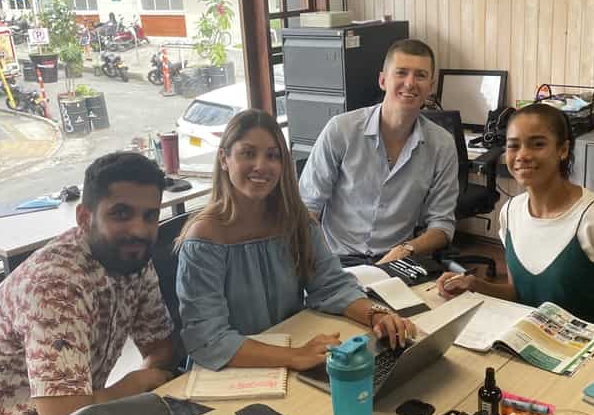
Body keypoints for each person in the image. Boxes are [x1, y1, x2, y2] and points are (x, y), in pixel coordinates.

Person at [0, 152, 176, 415]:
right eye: (121, 214)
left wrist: (136, 385)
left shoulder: (131, 258)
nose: (139, 230)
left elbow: (162, 350)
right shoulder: (57, 284)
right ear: (83, 217)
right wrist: (136, 384)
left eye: (150, 216)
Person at [176, 109, 416, 371]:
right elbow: (210, 340)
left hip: (287, 352)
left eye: (272, 155)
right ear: (224, 158)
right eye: (248, 153)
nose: (261, 165)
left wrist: (377, 314)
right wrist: (293, 356)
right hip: (230, 370)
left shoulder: (295, 221)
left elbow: (332, 286)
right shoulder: (203, 239)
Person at [436, 103, 594, 361]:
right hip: (533, 352)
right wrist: (475, 286)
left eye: (537, 144)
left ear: (563, 150)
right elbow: (519, 293)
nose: (522, 155)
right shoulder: (510, 212)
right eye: (513, 145)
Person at [298, 38, 459, 265]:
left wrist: (407, 249)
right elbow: (307, 207)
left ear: (430, 88)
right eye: (401, 73)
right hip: (337, 260)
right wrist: (316, 261)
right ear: (383, 80)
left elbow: (442, 225)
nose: (410, 83)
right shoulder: (341, 130)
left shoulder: (442, 145)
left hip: (397, 261)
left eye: (420, 75)